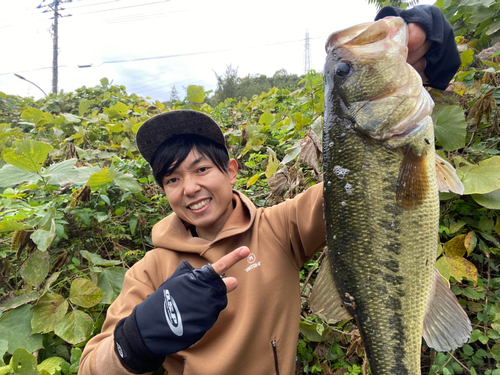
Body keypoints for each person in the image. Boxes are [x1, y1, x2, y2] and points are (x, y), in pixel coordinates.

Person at [78, 5, 461, 375]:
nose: (189, 188)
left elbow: (360, 185)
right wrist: (139, 337)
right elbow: (90, 367)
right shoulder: (150, 272)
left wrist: (422, 38)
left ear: (230, 172)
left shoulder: (280, 230)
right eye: (172, 179)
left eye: (201, 169)